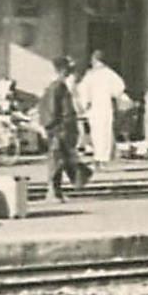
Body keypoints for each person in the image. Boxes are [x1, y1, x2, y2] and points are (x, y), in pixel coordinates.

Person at [38, 56, 91, 202]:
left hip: (62, 129)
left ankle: (57, 191)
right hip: (59, 130)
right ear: (61, 70)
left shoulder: (59, 86)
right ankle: (53, 192)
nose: (69, 74)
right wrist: (55, 128)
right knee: (57, 161)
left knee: (60, 160)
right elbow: (54, 110)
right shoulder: (57, 87)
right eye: (68, 70)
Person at [76, 50, 127, 166]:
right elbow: (119, 88)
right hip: (105, 107)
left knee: (97, 133)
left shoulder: (91, 75)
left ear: (94, 60)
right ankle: (103, 158)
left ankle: (99, 158)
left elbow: (83, 91)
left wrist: (85, 104)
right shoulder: (110, 74)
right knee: (105, 133)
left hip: (95, 108)